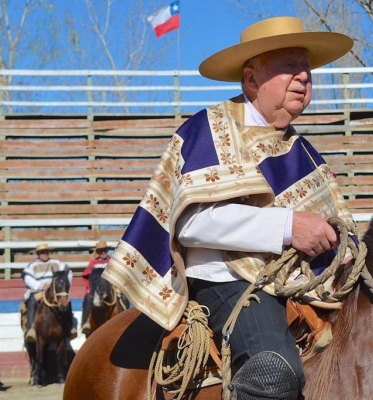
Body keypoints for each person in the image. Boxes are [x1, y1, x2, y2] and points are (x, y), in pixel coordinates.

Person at [103, 16, 355, 399]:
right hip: (227, 281)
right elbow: (188, 224)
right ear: (251, 79)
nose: (304, 76)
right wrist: (289, 227)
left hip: (303, 285)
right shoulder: (209, 129)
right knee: (275, 373)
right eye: (289, 65)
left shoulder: (302, 148)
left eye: (306, 67)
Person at [22, 243, 76, 342]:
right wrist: (40, 286)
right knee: (32, 300)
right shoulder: (32, 265)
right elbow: (27, 278)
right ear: (38, 253)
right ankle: (31, 329)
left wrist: (65, 286)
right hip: (39, 291)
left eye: (46, 252)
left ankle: (70, 327)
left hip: (55, 292)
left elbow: (68, 272)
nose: (44, 254)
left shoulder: (57, 263)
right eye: (42, 252)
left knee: (67, 300)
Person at [80, 240, 110, 336]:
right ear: (97, 252)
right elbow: (87, 276)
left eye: (104, 250)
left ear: (107, 250)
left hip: (111, 287)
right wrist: (90, 288)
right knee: (88, 298)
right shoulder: (93, 263)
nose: (103, 252)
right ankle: (86, 322)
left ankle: (124, 320)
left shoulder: (113, 261)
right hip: (97, 289)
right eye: (100, 250)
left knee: (123, 296)